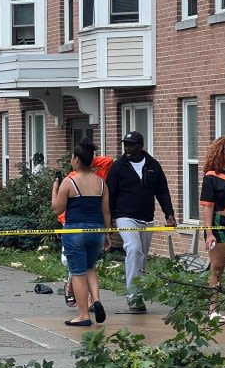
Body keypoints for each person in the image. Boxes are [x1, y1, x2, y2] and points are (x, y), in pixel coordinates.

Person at [106, 131, 176, 313]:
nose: (127, 148)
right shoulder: (118, 167)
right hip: (124, 216)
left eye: (131, 145)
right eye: (125, 145)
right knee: (134, 249)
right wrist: (108, 222)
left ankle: (139, 294)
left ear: (140, 146)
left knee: (142, 256)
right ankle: (133, 297)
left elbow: (162, 191)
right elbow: (110, 195)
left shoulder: (153, 166)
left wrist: (169, 214)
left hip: (147, 218)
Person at [51, 138, 110, 327]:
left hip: (75, 231)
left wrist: (55, 189)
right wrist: (107, 234)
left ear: (76, 159)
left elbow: (57, 209)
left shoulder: (69, 182)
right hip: (97, 230)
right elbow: (106, 211)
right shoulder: (101, 183)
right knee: (90, 267)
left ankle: (83, 315)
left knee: (77, 272)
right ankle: (97, 300)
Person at [59, 153, 114, 309]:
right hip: (77, 224)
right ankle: (93, 299)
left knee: (80, 269)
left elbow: (108, 161)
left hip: (84, 228)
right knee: (86, 267)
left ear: (77, 159)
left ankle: (85, 309)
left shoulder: (99, 179)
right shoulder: (72, 178)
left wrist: (88, 159)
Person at [199, 136, 225, 321]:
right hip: (219, 223)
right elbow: (208, 206)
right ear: (221, 152)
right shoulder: (212, 176)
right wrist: (209, 232)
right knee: (217, 268)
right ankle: (212, 309)